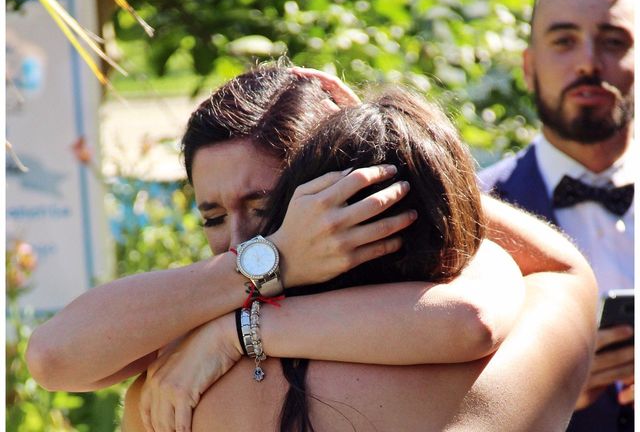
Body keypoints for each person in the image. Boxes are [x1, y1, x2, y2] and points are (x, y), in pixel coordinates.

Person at [28, 64, 592, 432]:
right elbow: (558, 274)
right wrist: (276, 259)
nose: (243, 242)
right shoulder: (496, 356)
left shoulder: (178, 382)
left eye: (266, 207)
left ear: (345, 185)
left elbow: (466, 320)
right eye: (213, 216)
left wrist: (236, 331)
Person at [479, 0, 634, 431]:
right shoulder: (474, 212)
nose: (588, 62)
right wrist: (545, 386)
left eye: (614, 42)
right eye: (564, 41)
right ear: (528, 67)